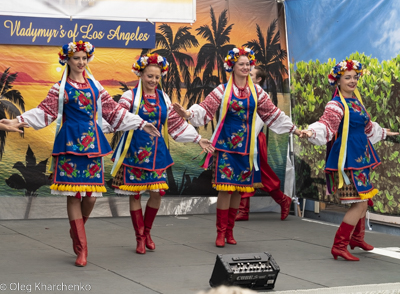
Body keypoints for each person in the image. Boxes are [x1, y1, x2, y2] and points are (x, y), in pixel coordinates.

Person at [2, 41, 160, 267]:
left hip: (93, 145)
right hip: (69, 145)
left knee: (91, 196)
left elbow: (113, 111)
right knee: (74, 196)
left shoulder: (96, 87)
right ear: (67, 60)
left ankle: (76, 230)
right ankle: (81, 248)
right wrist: (18, 120)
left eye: (84, 58)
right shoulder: (60, 88)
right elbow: (44, 112)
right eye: (76, 58)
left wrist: (140, 123)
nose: (81, 62)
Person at [173, 47, 301, 247]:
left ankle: (230, 232)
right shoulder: (222, 90)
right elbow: (205, 109)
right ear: (232, 66)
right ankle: (220, 232)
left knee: (239, 191)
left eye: (247, 64)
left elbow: (273, 114)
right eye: (240, 63)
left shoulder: (257, 92)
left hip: (246, 149)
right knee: (225, 190)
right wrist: (188, 114)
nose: (245, 66)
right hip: (225, 148)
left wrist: (295, 130)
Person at [110, 53, 214, 254]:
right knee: (135, 195)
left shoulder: (163, 98)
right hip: (133, 152)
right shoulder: (129, 97)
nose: (153, 81)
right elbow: (116, 118)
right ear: (140, 74)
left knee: (157, 193)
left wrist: (197, 138)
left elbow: (175, 123)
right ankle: (139, 237)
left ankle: (147, 231)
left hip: (157, 152)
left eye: (157, 77)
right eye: (150, 76)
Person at [301, 59, 398, 261]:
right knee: (360, 203)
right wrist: (311, 132)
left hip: (362, 156)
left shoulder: (356, 102)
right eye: (348, 77)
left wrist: (383, 132)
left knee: (364, 198)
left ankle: (356, 238)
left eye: (355, 77)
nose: (353, 81)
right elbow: (327, 124)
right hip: (348, 160)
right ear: (338, 81)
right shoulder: (335, 105)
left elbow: (367, 126)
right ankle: (340, 245)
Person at [235, 65, 292, 221]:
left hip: (251, 139)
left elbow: (259, 121)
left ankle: (244, 210)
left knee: (253, 172)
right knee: (253, 173)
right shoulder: (242, 93)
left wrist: (246, 139)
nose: (247, 75)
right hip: (242, 138)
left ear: (258, 79)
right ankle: (281, 200)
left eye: (251, 74)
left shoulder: (260, 95)